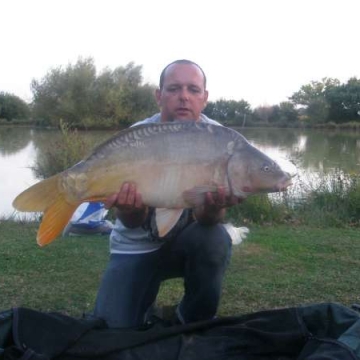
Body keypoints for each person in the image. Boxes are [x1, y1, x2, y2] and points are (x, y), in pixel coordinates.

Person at [93, 59, 242, 328]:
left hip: (189, 244)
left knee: (215, 238)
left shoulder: (220, 140)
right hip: (135, 247)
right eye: (174, 89)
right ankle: (140, 308)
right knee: (113, 330)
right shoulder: (138, 136)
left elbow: (208, 221)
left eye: (193, 90)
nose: (184, 97)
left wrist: (214, 206)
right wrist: (130, 208)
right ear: (158, 96)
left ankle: (191, 319)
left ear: (205, 98)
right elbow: (131, 222)